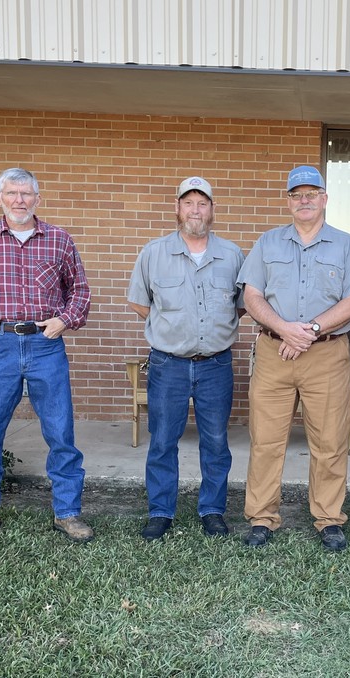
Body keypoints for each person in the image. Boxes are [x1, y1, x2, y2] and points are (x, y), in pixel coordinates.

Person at [0, 167, 93, 543]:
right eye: (12, 193)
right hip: (0, 345)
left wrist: (64, 319)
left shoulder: (59, 239)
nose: (19, 200)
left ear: (37, 199)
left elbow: (80, 292)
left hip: (46, 345)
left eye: (26, 194)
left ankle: (68, 513)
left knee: (60, 433)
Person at [237, 165, 350, 551]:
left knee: (329, 441)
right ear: (289, 201)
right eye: (297, 195)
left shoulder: (347, 246)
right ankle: (262, 517)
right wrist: (285, 329)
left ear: (325, 199)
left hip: (326, 354)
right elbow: (252, 296)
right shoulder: (268, 243)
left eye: (312, 193)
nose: (305, 200)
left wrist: (307, 330)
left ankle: (328, 518)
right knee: (265, 439)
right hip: (274, 351)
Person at [127, 177, 244, 541]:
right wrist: (173, 329)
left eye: (203, 203)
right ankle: (161, 511)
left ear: (212, 210)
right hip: (168, 365)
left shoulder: (232, 255)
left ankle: (212, 510)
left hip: (216, 365)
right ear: (177, 208)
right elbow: (138, 302)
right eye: (189, 203)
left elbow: (240, 306)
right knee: (162, 440)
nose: (196, 210)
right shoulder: (153, 252)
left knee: (215, 441)